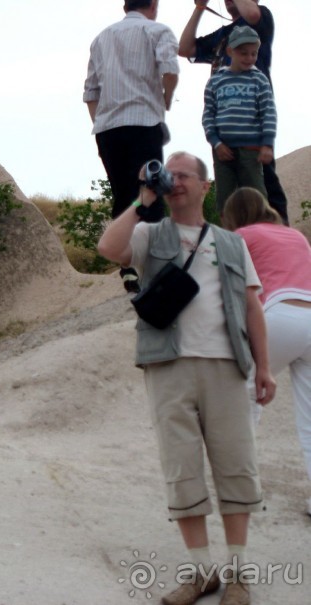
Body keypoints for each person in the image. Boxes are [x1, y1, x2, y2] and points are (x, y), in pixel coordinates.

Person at [97, 152, 275, 605]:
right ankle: (201, 573)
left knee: (236, 466)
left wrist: (265, 368)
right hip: (168, 364)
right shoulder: (148, 232)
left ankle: (237, 573)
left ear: (205, 185)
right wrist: (142, 200)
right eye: (167, 174)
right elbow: (108, 249)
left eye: (182, 175)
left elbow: (253, 307)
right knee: (182, 470)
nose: (173, 181)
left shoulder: (232, 244)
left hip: (225, 365)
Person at [222, 187, 311, 518]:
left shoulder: (242, 236)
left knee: (245, 398)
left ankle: (240, 490)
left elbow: (229, 286)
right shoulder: (295, 235)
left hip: (278, 314)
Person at [83, 0, 179, 293]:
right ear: (153, 4)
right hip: (143, 122)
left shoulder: (101, 38)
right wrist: (166, 98)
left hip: (108, 129)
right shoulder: (158, 30)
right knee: (150, 193)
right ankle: (158, 268)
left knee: (123, 194)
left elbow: (90, 92)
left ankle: (128, 268)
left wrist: (101, 122)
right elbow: (170, 71)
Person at [179, 0, 289, 225]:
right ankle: (237, 246)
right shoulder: (222, 35)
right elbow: (184, 48)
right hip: (225, 129)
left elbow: (251, 12)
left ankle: (281, 240)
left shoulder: (260, 18)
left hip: (252, 127)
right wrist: (199, 8)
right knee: (228, 196)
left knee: (264, 186)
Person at [202, 25, 276, 217]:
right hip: (223, 150)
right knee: (225, 201)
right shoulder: (216, 81)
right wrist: (216, 143)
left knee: (257, 198)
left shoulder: (259, 79)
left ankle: (262, 238)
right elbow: (208, 115)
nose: (249, 58)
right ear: (229, 51)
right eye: (243, 53)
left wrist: (267, 144)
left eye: (254, 54)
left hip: (251, 149)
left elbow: (268, 112)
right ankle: (228, 240)